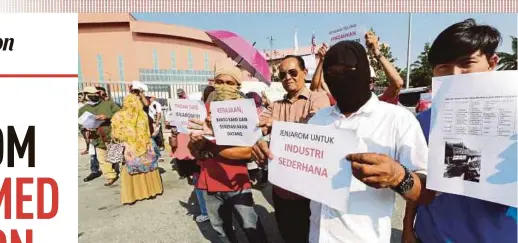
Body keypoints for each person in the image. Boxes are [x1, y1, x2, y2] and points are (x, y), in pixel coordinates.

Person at [301, 40, 431, 242]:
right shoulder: (319, 119)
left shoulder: (397, 119)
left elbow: (426, 192)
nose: (339, 78)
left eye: (347, 70)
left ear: (362, 71)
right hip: (316, 235)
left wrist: (398, 176)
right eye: (332, 73)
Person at [402, 18, 517, 243]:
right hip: (432, 236)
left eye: (467, 63)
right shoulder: (424, 122)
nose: (454, 75)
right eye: (443, 67)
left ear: (492, 63)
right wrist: (408, 227)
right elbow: (418, 179)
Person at [251, 55, 331, 243]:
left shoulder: (318, 99)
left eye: (293, 72)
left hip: (310, 194)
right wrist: (258, 140)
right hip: (281, 191)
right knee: (288, 236)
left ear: (305, 72)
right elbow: (256, 127)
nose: (287, 77)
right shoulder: (276, 105)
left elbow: (314, 131)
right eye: (282, 75)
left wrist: (276, 125)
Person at [187, 61, 268, 243]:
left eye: (229, 83)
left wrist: (212, 146)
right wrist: (197, 144)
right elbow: (194, 152)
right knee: (221, 231)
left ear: (238, 86)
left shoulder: (246, 112)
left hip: (236, 183)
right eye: (219, 81)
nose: (223, 86)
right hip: (208, 183)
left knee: (251, 228)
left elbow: (250, 152)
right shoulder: (205, 110)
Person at [311, 31, 404, 105]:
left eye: (371, 80)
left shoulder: (378, 104)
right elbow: (315, 88)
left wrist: (376, 52)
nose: (369, 83)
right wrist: (322, 60)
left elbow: (397, 83)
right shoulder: (339, 104)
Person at [111, 94, 163, 205]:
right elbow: (148, 131)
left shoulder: (118, 116)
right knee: (148, 168)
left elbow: (116, 134)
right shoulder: (143, 114)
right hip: (144, 145)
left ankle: (132, 196)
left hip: (129, 147)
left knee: (130, 170)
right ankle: (151, 192)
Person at [78, 86, 121, 186]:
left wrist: (107, 116)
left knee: (116, 156)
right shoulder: (83, 110)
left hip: (112, 135)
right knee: (102, 159)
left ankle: (120, 172)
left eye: (96, 94)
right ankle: (111, 176)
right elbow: (80, 124)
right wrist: (85, 129)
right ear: (86, 96)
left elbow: (120, 114)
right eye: (91, 95)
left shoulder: (108, 104)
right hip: (96, 137)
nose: (95, 96)